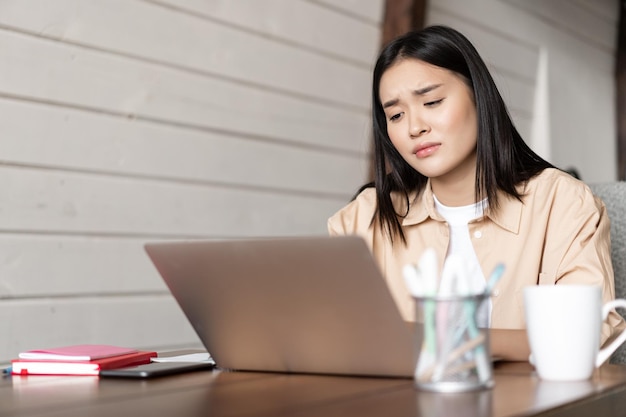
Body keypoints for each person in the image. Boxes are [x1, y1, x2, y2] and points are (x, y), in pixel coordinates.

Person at [327, 25, 625, 361]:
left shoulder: (561, 202)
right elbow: (329, 334)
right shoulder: (365, 217)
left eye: (432, 101)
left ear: (478, 96)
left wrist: (440, 337)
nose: (414, 127)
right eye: (396, 115)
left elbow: (583, 335)